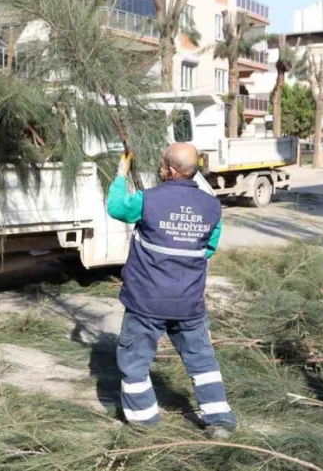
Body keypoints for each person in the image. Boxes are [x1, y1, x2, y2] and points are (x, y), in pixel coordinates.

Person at [106, 144, 237, 438]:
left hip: (145, 304)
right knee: (202, 361)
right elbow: (208, 249)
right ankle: (220, 421)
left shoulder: (147, 200)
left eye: (162, 163)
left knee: (135, 362)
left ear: (170, 170)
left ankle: (143, 422)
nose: (160, 168)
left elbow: (116, 207)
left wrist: (120, 174)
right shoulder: (212, 206)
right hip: (188, 303)